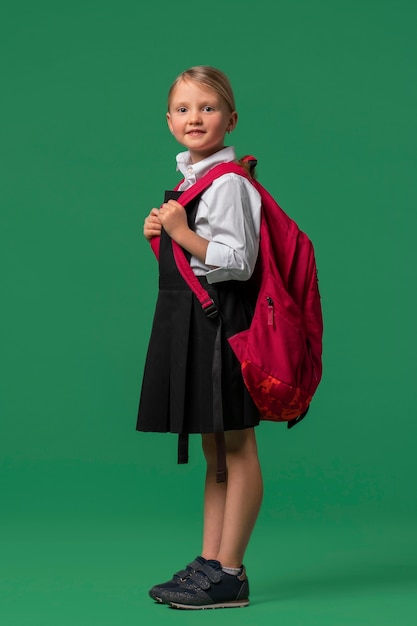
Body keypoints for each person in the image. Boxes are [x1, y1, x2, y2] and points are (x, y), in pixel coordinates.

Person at [137, 66, 263, 610]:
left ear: (230, 119)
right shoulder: (193, 180)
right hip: (198, 321)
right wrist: (163, 237)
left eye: (208, 108)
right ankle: (210, 562)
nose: (195, 117)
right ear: (168, 121)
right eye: (184, 109)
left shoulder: (229, 183)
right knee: (215, 449)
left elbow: (238, 260)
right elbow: (195, 259)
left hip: (224, 325)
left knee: (237, 444)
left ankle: (231, 571)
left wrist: (182, 233)